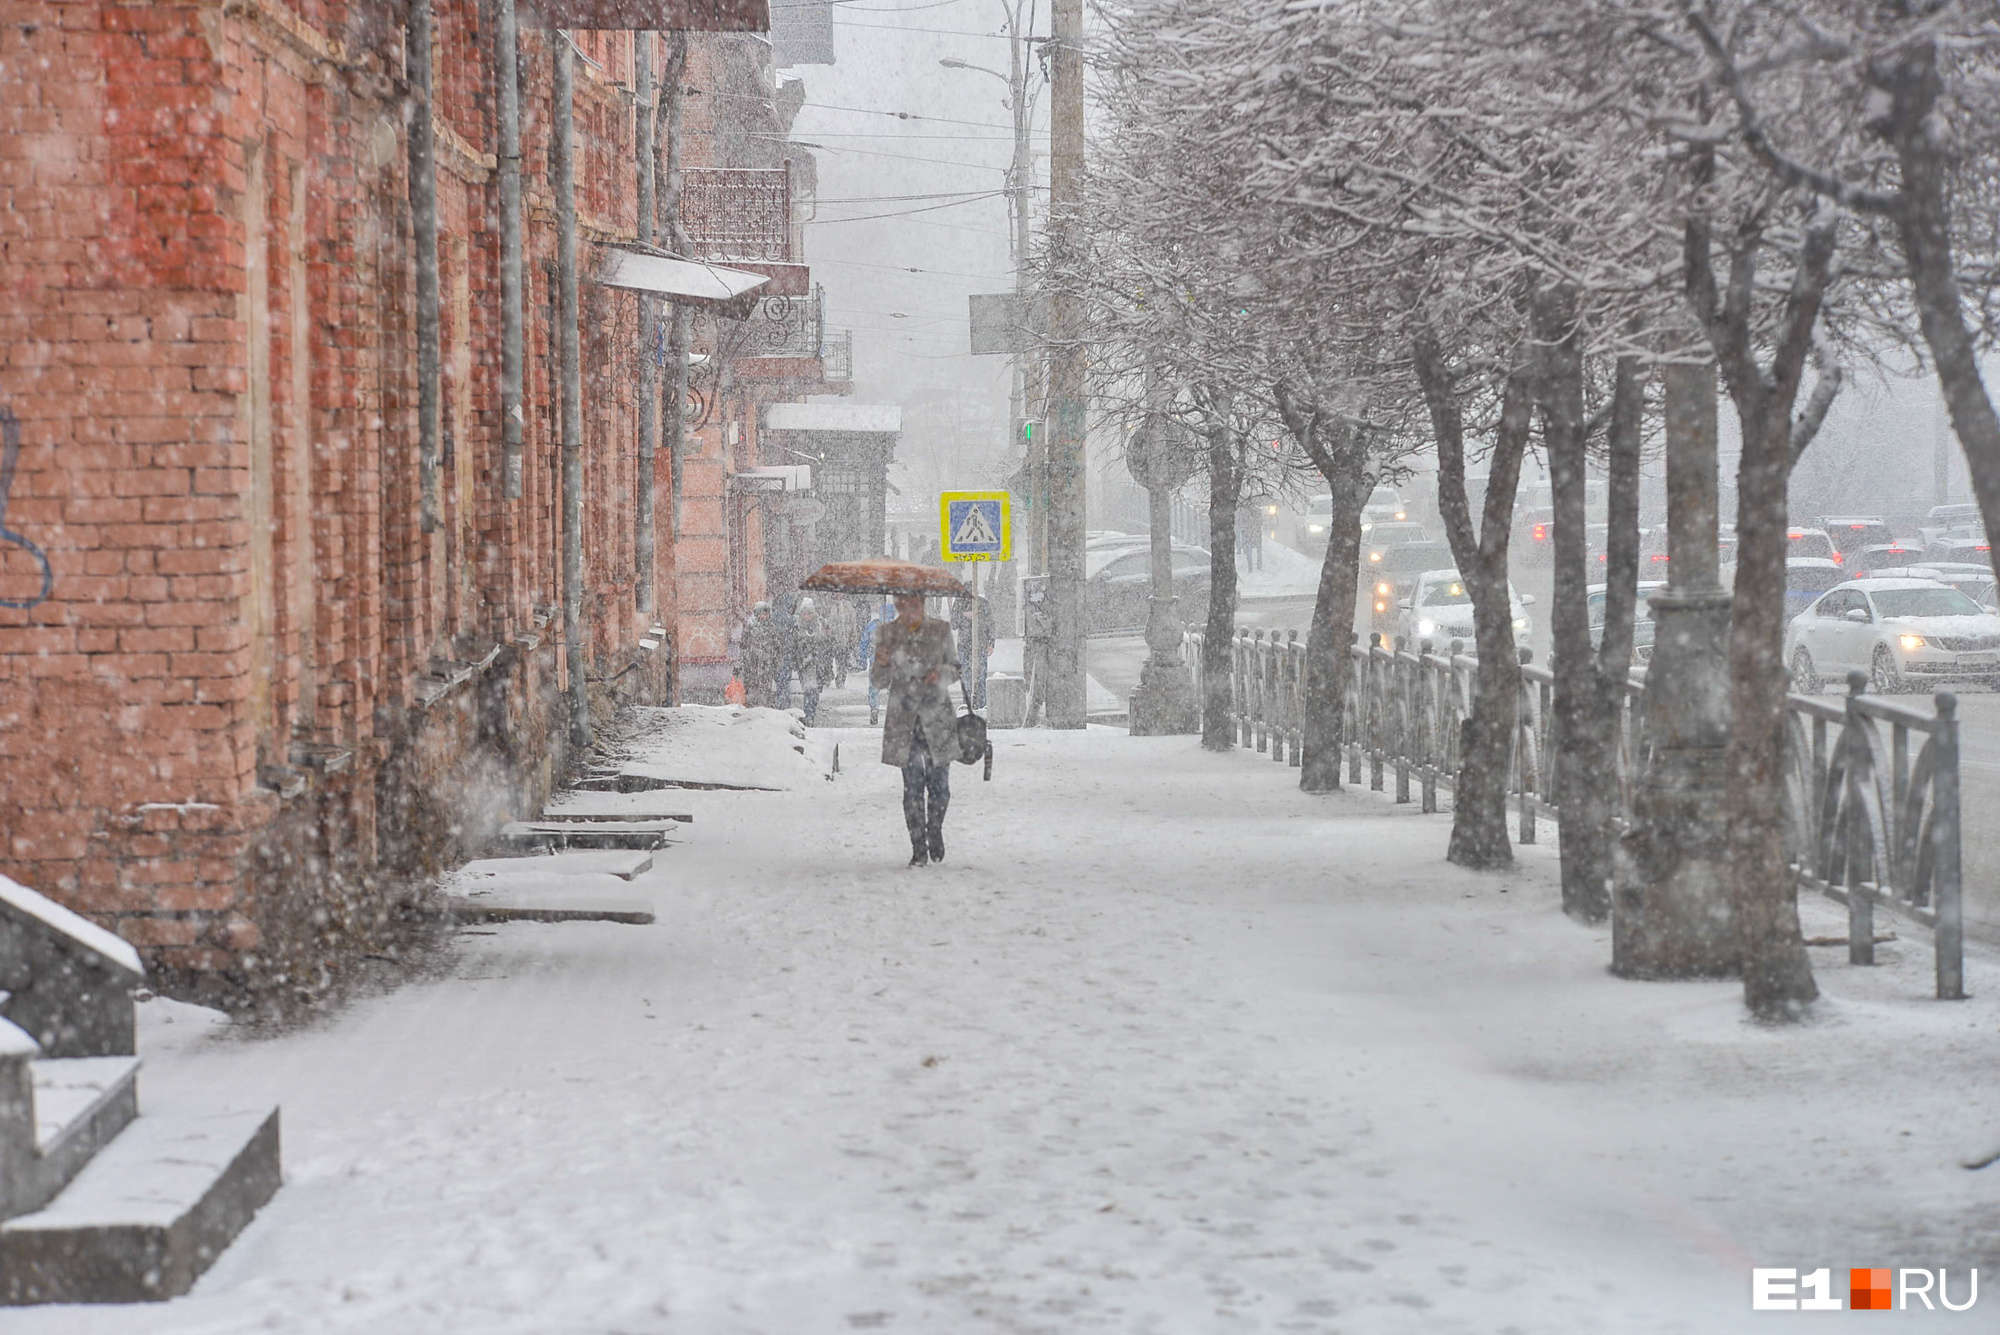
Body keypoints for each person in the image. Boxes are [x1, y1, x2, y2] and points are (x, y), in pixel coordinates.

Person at [871, 593, 959, 867]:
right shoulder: (887, 633)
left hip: (936, 719)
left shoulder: (940, 630)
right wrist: (882, 663)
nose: (906, 608)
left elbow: (956, 669)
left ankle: (935, 829)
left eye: (911, 603)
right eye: (901, 603)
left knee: (940, 788)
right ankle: (918, 848)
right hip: (904, 721)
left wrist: (940, 673)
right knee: (912, 789)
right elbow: (878, 682)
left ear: (921, 604)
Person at [792, 597, 836, 725]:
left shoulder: (822, 623)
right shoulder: (797, 626)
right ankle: (808, 715)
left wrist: (825, 652)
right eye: (804, 613)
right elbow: (793, 645)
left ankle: (811, 710)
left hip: (820, 664)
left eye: (809, 613)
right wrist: (796, 660)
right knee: (808, 689)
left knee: (816, 691)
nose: (807, 616)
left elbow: (830, 641)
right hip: (805, 664)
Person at [950, 594, 994, 710]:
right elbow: (953, 623)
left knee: (979, 674)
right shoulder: (960, 603)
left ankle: (980, 701)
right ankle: (970, 701)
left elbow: (989, 622)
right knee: (967, 675)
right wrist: (964, 615)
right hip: (967, 645)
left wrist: (990, 642)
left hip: (978, 644)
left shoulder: (982, 603)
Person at [858, 599, 895, 725]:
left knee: (874, 688)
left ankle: (874, 709)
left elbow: (864, 642)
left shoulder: (872, 625)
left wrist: (862, 659)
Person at [739, 601, 781, 708]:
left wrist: (776, 662)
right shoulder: (750, 626)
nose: (765, 616)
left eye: (766, 613)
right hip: (751, 664)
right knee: (752, 691)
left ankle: (763, 713)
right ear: (757, 613)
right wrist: (740, 663)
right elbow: (743, 645)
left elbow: (777, 646)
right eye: (762, 613)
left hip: (766, 664)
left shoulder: (771, 627)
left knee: (765, 691)